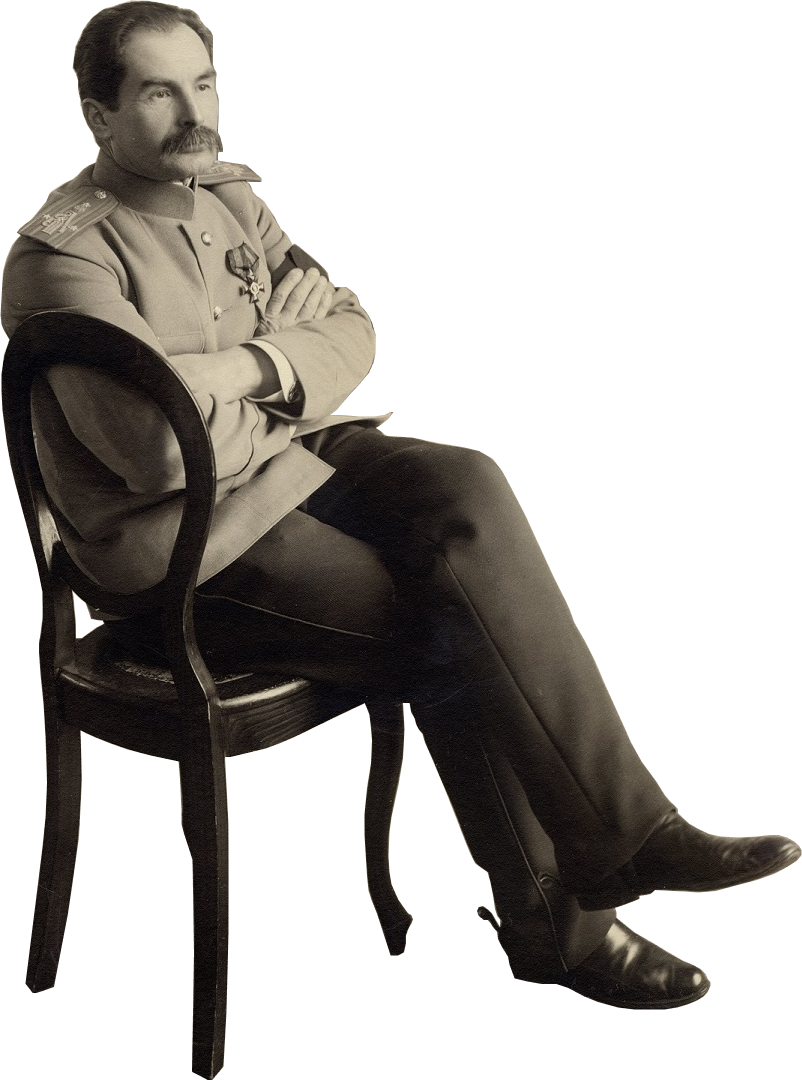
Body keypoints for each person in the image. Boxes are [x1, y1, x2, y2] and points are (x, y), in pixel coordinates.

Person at [2, 1, 798, 1010]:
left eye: (203, 83)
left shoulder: (229, 199)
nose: (194, 113)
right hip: (180, 546)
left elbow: (353, 328)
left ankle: (629, 837)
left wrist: (242, 368)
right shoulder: (61, 258)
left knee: (469, 480)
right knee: (459, 620)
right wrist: (290, 379)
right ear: (98, 115)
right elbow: (156, 454)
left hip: (284, 464)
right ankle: (569, 922)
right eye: (159, 92)